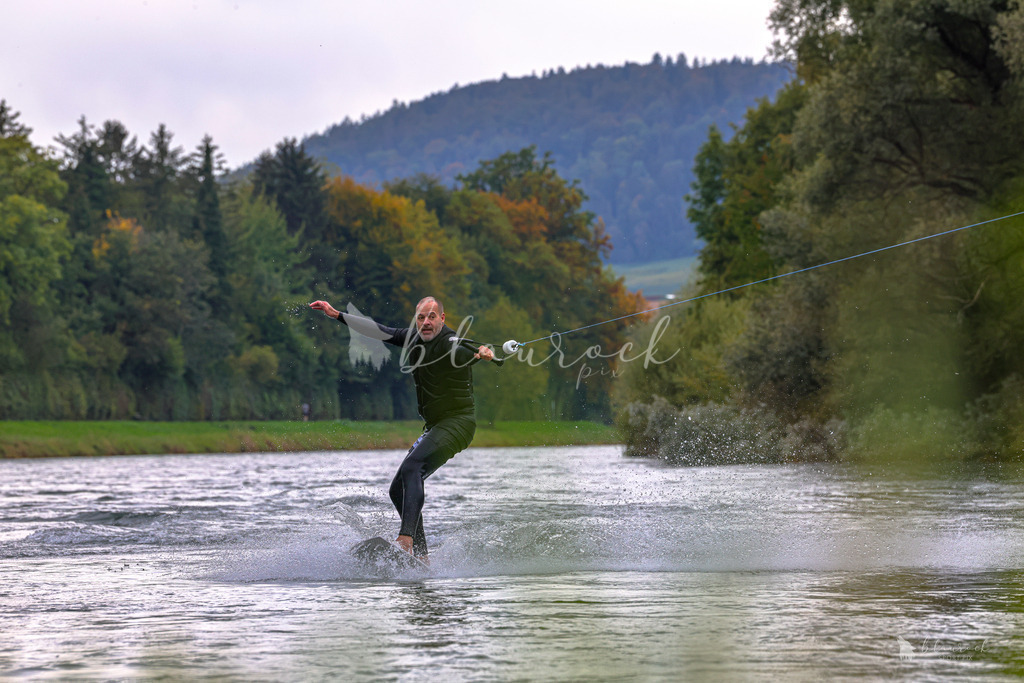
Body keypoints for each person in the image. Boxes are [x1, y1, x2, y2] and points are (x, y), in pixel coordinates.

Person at [309, 296, 496, 562]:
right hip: (435, 427)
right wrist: (337, 314)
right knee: (397, 490)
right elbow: (377, 329)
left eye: (432, 317)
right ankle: (422, 557)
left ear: (442, 319)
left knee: (412, 468)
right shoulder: (412, 338)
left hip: (459, 424)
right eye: (421, 318)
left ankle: (406, 540)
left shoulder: (451, 342)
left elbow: (469, 348)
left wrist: (484, 352)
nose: (426, 323)